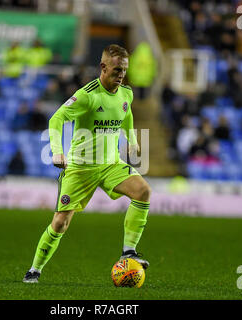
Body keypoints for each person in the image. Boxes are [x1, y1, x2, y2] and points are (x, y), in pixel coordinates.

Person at [23, 44, 152, 283]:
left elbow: (127, 115)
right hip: (80, 168)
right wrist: (58, 152)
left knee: (143, 191)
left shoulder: (126, 93)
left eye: (124, 70)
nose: (121, 74)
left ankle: (128, 251)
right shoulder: (87, 96)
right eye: (116, 70)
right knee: (60, 224)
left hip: (111, 164)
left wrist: (132, 141)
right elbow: (56, 119)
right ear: (103, 67)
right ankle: (34, 270)